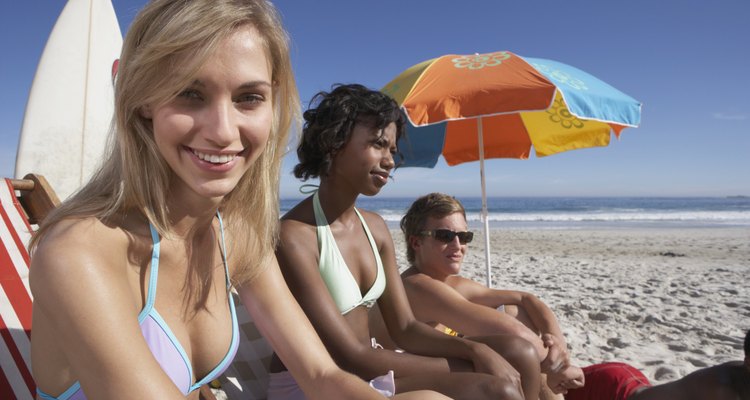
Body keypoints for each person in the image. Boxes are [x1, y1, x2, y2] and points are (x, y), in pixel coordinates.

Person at [28, 2, 441, 399]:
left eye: (248, 97)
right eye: (190, 93)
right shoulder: (80, 251)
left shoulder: (235, 233)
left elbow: (320, 373)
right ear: (143, 102)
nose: (224, 131)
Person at [270, 83, 543, 400]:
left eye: (392, 150)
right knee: (497, 389)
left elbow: (405, 328)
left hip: (369, 370)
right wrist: (472, 358)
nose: (389, 161)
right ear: (333, 144)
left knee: (520, 352)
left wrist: (473, 347)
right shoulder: (294, 236)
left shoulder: (374, 227)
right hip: (318, 384)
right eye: (377, 144)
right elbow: (348, 355)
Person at [397, 192, 586, 397]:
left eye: (464, 236)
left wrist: (558, 348)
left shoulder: (450, 283)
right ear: (416, 243)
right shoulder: (416, 286)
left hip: (449, 371)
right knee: (521, 351)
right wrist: (556, 368)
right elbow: (510, 330)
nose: (458, 246)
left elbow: (526, 299)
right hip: (406, 382)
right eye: (445, 236)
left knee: (515, 311)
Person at [564, 329, 750, 400]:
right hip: (613, 391)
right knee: (550, 382)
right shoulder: (723, 391)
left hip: (633, 382)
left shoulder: (741, 374)